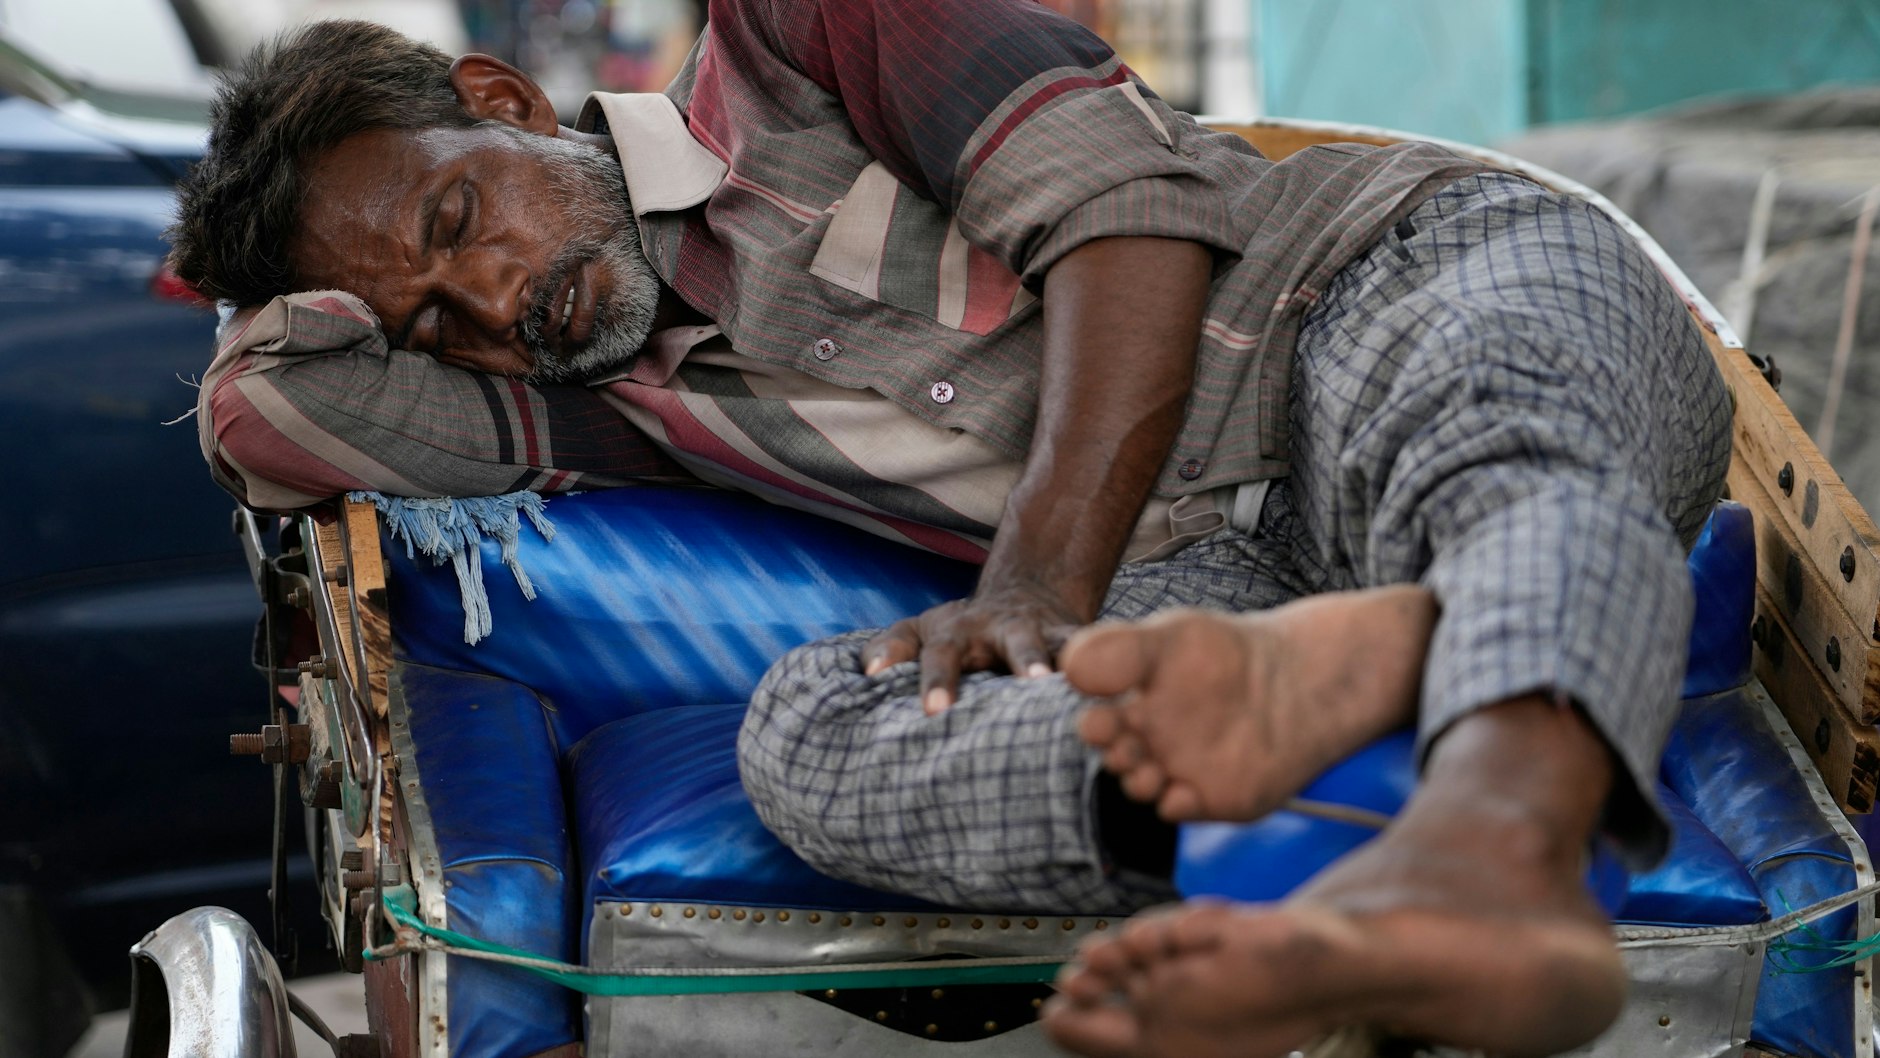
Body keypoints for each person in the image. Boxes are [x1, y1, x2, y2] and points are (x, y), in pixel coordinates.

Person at [167, 4, 1732, 1055]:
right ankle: (1360, 706)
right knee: (811, 730)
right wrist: (336, 282)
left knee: (1497, 437)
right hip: (1206, 590)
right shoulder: (608, 390)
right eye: (437, 321)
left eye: (459, 223)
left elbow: (1127, 210)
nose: (495, 302)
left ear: (499, 101)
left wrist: (1037, 583)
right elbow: (263, 411)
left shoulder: (794, 39)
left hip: (1374, 292)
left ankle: (1487, 840)